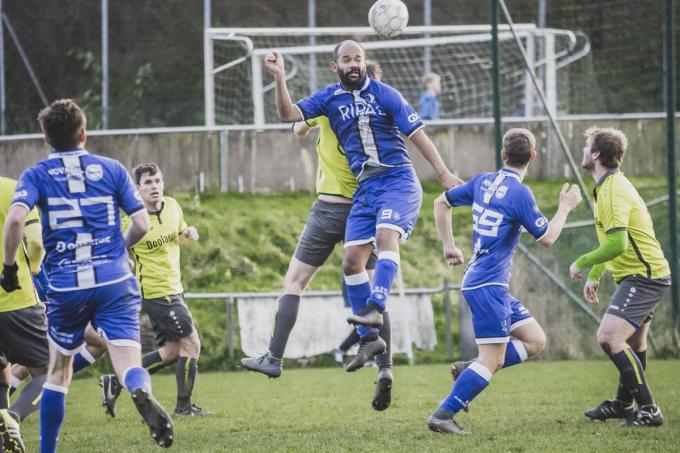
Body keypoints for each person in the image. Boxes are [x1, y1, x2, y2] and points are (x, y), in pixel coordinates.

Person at [262, 40, 461, 376]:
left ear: (365, 63)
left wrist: (443, 173)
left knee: (386, 238)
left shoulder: (386, 94)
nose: (353, 64)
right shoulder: (328, 98)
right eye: (346, 59)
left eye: (358, 58)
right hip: (365, 190)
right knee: (352, 262)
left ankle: (375, 309)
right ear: (334, 65)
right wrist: (280, 76)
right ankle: (370, 340)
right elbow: (288, 116)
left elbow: (419, 135)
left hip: (397, 180)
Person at [1, 99, 174, 451]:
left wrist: (8, 268)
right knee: (127, 361)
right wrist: (119, 249)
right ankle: (137, 386)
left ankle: (47, 449)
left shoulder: (36, 174)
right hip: (114, 280)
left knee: (57, 373)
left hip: (66, 285)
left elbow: (17, 220)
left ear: (45, 136)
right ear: (84, 133)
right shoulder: (111, 168)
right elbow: (141, 223)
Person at [241, 60, 394, 411]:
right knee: (372, 295)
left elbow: (296, 128)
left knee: (295, 282)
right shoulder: (382, 114)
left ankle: (274, 358)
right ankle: (384, 368)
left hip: (330, 207)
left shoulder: (331, 104)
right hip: (366, 208)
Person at [428, 128, 582, 434]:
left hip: (486, 284)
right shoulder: (520, 193)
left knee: (535, 339)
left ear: (503, 154)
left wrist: (449, 245)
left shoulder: (482, 180)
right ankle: (443, 414)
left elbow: (440, 203)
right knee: (493, 359)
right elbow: (548, 237)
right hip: (488, 286)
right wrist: (565, 206)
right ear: (533, 158)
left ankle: (467, 369)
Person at [569, 126, 670, 427]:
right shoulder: (608, 186)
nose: (584, 150)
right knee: (636, 343)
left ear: (597, 154)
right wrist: (595, 274)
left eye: (587, 146)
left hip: (644, 277)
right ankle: (623, 404)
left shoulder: (612, 189)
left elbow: (619, 243)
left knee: (609, 337)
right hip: (641, 275)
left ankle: (650, 410)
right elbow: (610, 240)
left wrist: (582, 262)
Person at [100, 162, 209, 417]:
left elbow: (180, 234)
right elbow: (116, 251)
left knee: (171, 352)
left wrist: (189, 234)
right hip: (156, 293)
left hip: (175, 288)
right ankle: (183, 407)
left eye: (158, 181)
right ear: (137, 189)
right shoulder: (131, 220)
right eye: (148, 183)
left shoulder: (172, 206)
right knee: (192, 344)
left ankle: (117, 379)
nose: (155, 187)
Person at [0, 176, 48, 453]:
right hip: (17, 301)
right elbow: (37, 243)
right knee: (52, 372)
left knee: (2, 378)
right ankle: (14, 416)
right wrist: (35, 268)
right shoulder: (17, 189)